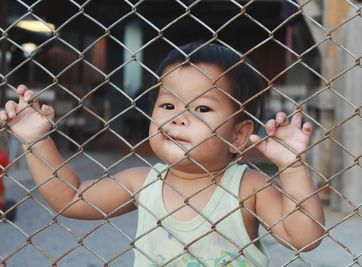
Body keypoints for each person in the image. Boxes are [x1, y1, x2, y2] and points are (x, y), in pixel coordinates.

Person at [0, 42, 324, 266]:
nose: (178, 117)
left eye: (201, 108)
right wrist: (36, 140)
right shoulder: (143, 182)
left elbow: (305, 238)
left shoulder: (248, 188)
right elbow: (69, 198)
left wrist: (291, 165)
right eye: (168, 105)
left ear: (238, 134)